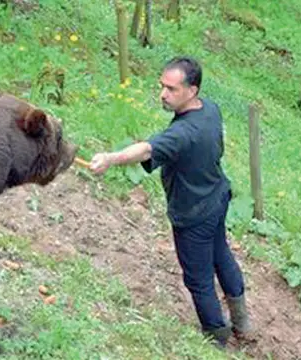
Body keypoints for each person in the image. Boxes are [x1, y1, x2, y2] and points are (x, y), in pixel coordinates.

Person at [89, 56, 251, 348]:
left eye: (171, 89)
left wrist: (111, 158)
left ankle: (217, 338)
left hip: (194, 213)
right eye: (162, 86)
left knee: (199, 279)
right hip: (217, 196)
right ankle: (242, 323)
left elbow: (146, 149)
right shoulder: (210, 110)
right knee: (220, 254)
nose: (163, 94)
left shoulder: (183, 134)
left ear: (192, 90)